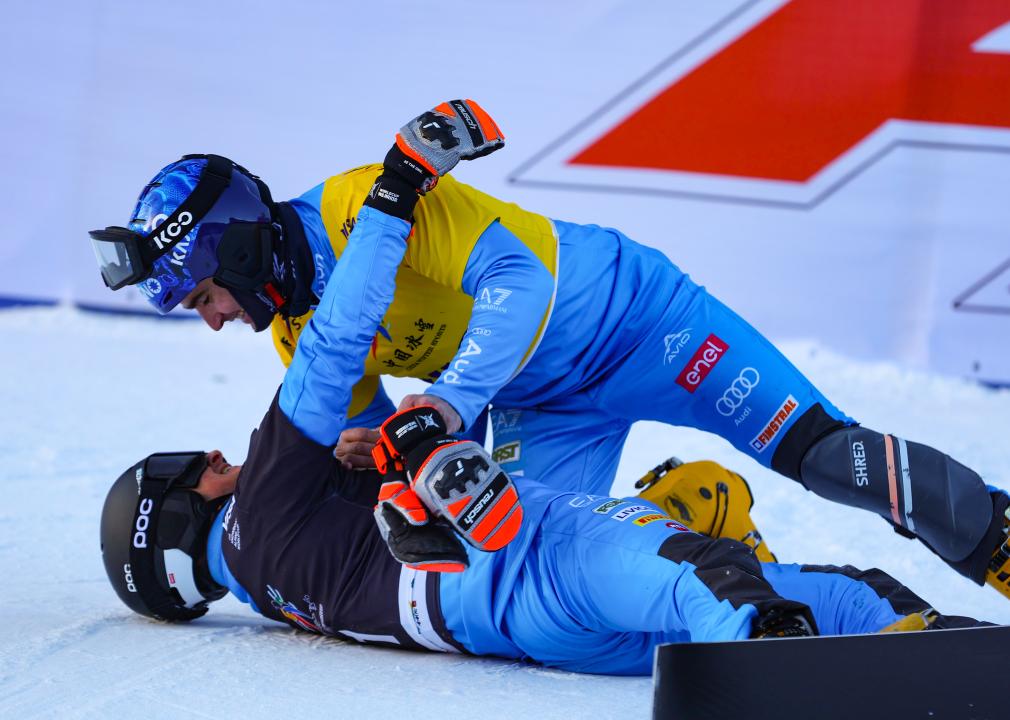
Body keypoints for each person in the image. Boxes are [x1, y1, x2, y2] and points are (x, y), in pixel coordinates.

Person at [88, 100, 1010, 601]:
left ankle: (999, 548)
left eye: (204, 297)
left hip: (642, 323)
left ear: (233, 252)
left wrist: (448, 405)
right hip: (542, 403)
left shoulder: (363, 204)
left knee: (826, 454)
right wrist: (360, 469)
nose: (214, 321)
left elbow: (520, 280)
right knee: (538, 561)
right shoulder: (299, 333)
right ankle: (702, 514)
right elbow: (383, 457)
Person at [99, 198, 987, 675]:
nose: (220, 457)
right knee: (709, 578)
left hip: (522, 634)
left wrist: (382, 451)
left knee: (701, 591)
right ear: (186, 503)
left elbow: (370, 476)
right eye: (201, 467)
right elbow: (333, 342)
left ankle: (912, 641)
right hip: (530, 556)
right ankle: (848, 645)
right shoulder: (266, 496)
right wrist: (396, 193)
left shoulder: (270, 590)